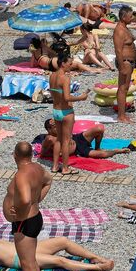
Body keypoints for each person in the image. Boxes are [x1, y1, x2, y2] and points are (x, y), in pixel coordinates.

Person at [3, 142, 50, 271]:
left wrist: (20, 213)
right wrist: (38, 200)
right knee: (31, 261)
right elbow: (49, 181)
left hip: (25, 222)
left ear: (15, 155)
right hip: (34, 218)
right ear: (31, 154)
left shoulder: (21, 175)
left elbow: (24, 198)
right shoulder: (37, 167)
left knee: (28, 264)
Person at [47, 42, 88, 174]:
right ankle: (65, 168)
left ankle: (54, 166)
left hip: (56, 110)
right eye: (69, 64)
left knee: (58, 139)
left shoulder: (52, 76)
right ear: (63, 63)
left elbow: (55, 94)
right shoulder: (65, 78)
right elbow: (67, 97)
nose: (71, 66)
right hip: (66, 112)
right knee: (66, 140)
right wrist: (81, 97)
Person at [0, 235, 114, 271]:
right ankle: (98, 267)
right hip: (21, 258)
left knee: (63, 241)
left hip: (27, 247)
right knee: (60, 260)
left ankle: (96, 258)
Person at [39, 117, 136, 163]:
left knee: (100, 128)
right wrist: (57, 154)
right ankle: (117, 150)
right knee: (102, 155)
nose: (58, 127)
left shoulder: (61, 130)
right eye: (55, 126)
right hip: (79, 150)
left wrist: (69, 137)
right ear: (49, 129)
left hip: (77, 138)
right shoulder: (50, 139)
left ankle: (98, 147)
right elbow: (42, 154)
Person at [113, 6, 136, 124]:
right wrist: (122, 66)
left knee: (125, 88)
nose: (132, 17)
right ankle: (121, 116)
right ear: (123, 17)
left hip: (129, 62)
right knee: (123, 89)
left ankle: (122, 114)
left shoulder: (125, 28)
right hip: (125, 62)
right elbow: (118, 50)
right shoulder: (119, 30)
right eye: (130, 16)